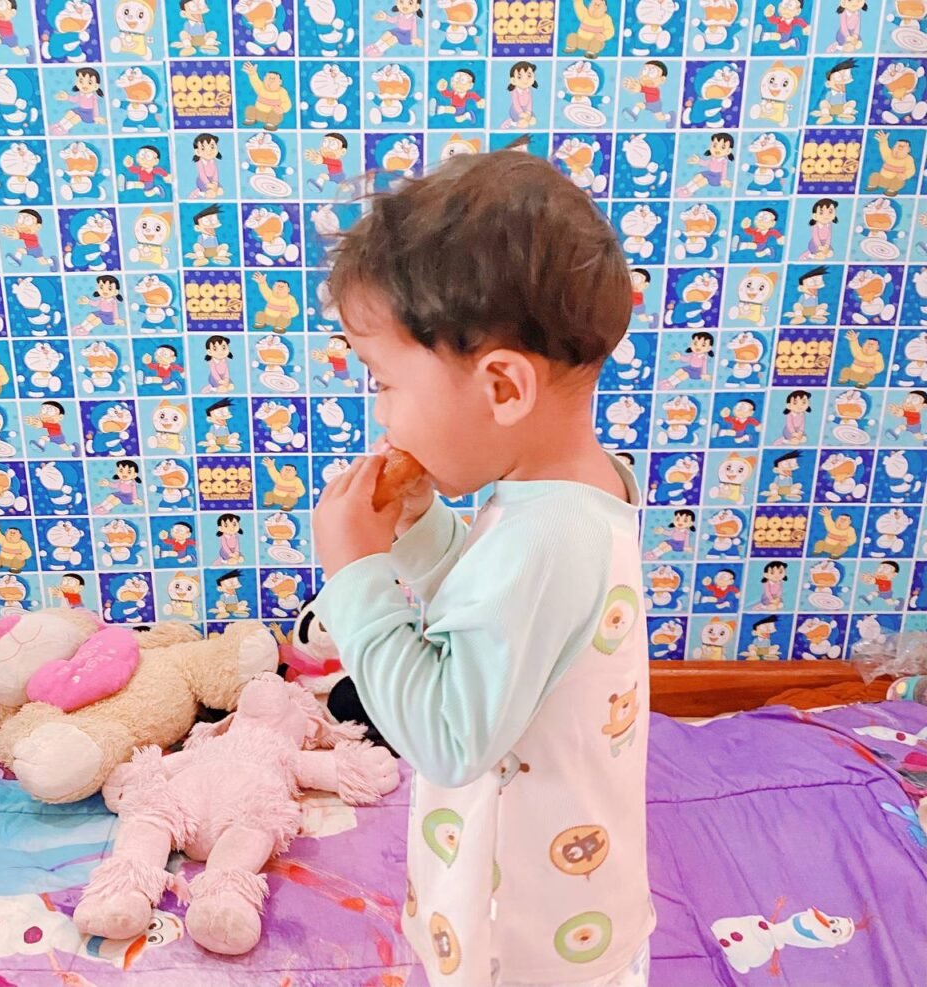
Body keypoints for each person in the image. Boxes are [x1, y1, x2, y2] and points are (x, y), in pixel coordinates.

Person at [311, 151, 653, 987]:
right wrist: (424, 529)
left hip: (522, 941)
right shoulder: (572, 494)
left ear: (503, 386)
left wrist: (355, 578)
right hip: (566, 903)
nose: (382, 410)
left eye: (386, 383)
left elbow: (447, 734)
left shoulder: (545, 536)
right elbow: (501, 624)